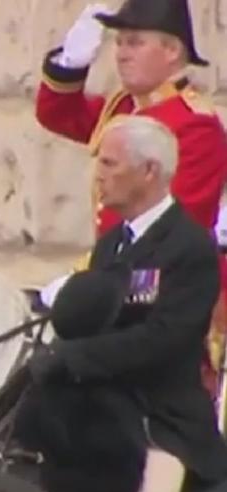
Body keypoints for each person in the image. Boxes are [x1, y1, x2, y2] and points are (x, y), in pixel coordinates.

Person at [26, 115, 227, 492]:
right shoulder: (112, 243)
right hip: (103, 410)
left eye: (111, 164)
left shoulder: (189, 246)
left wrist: (75, 357)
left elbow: (163, 339)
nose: (98, 174)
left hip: (162, 417)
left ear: (149, 171)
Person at [35, 0, 227, 400]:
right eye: (119, 41)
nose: (121, 52)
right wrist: (70, 64)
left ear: (172, 51)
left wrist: (94, 280)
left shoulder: (195, 125)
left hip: (170, 295)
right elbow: (57, 114)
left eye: (135, 42)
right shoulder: (123, 106)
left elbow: (170, 233)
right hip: (118, 279)